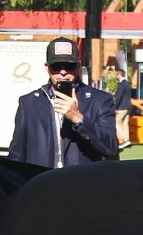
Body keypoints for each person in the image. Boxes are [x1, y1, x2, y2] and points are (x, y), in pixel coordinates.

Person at [8, 37, 119, 168]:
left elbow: (109, 148)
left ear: (78, 66)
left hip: (81, 184)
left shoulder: (100, 100)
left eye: (69, 66)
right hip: (41, 183)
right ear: (47, 68)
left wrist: (78, 119)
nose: (63, 72)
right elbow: (17, 154)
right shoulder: (29, 103)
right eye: (56, 66)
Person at [102, 56, 134, 146]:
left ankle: (124, 140)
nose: (115, 75)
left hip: (122, 107)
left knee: (116, 122)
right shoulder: (127, 84)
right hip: (128, 106)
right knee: (124, 123)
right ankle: (127, 140)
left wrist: (114, 106)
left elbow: (118, 96)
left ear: (119, 74)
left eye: (116, 74)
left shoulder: (122, 84)